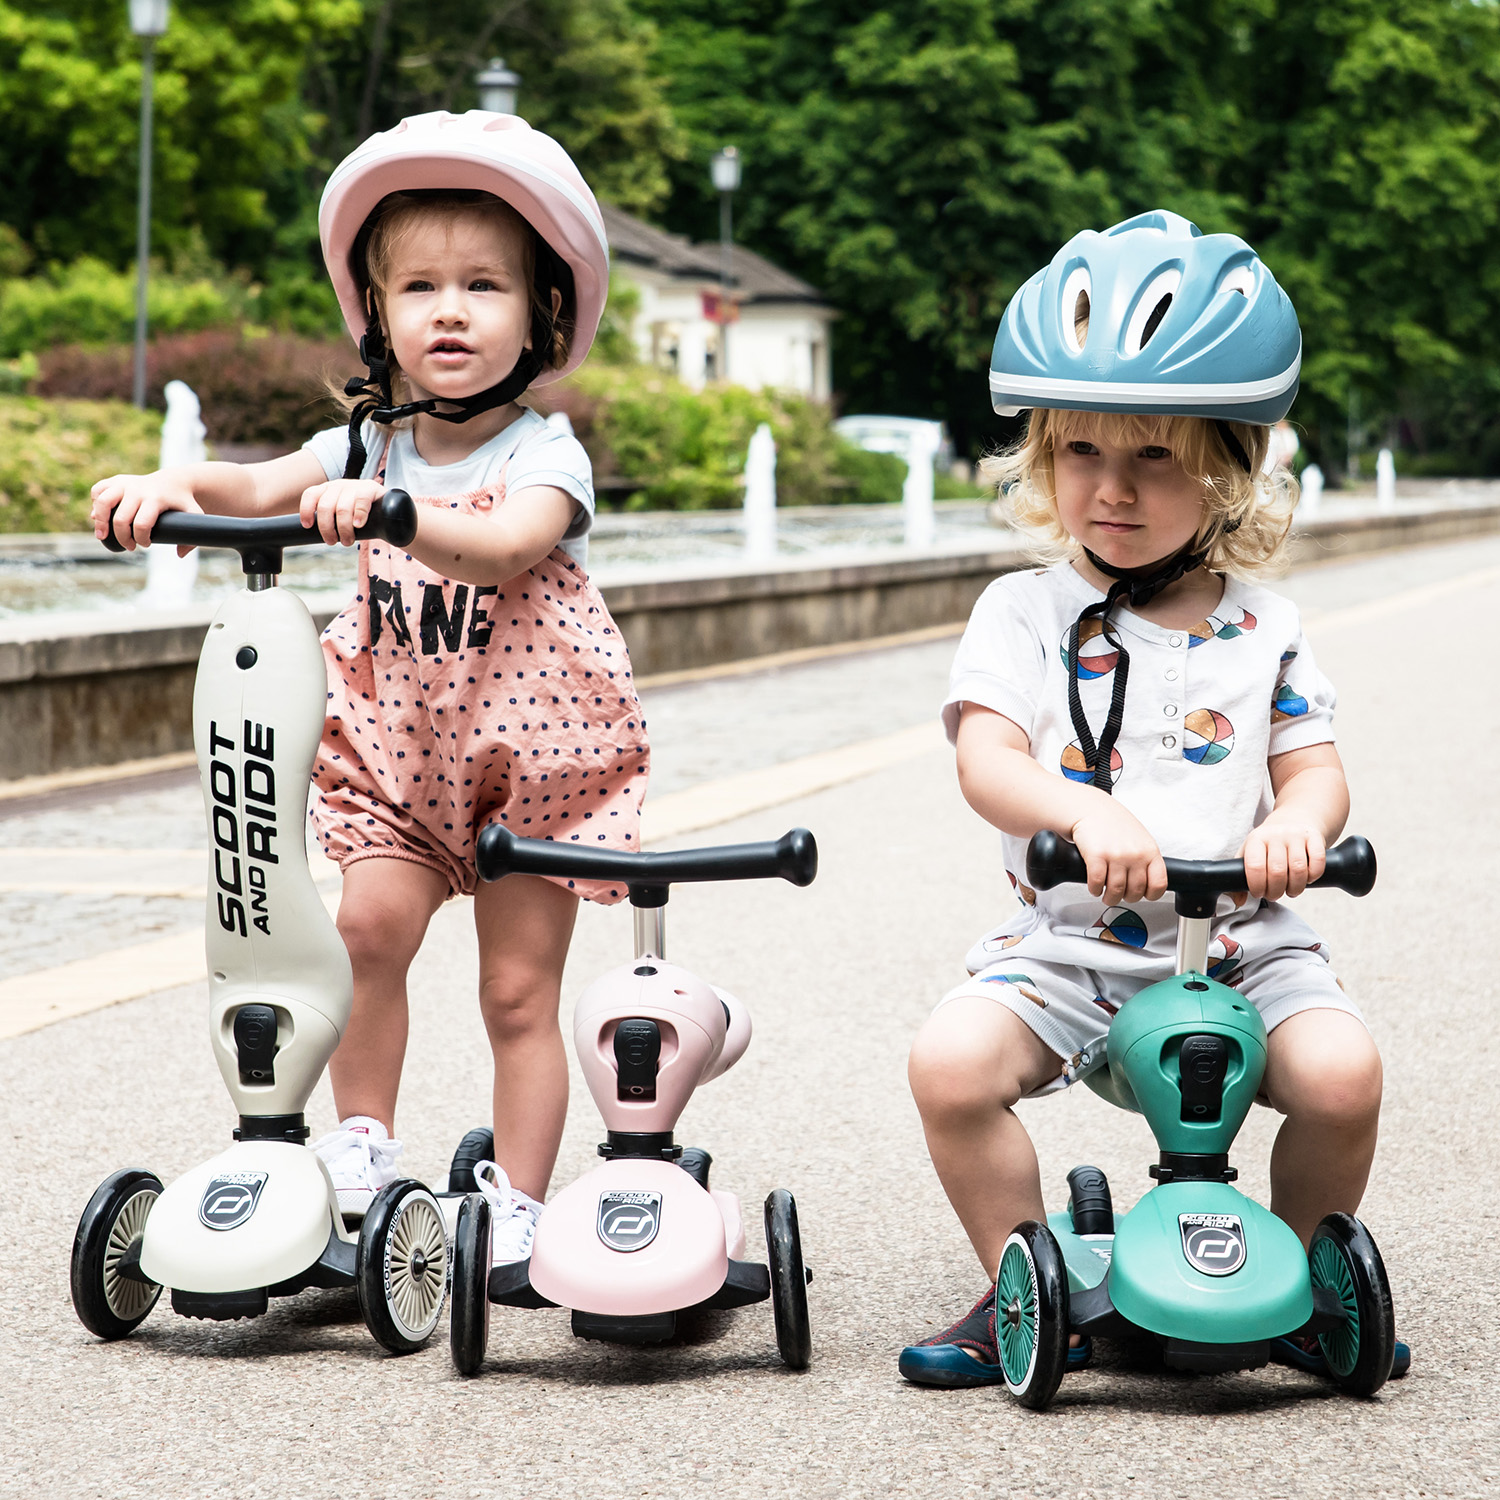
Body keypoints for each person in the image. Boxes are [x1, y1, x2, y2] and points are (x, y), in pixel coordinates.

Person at [90, 112, 649, 1265]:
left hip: (530, 767)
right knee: (363, 936)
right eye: (422, 287)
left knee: (514, 989)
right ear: (378, 317)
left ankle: (522, 1203)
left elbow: (506, 549)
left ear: (541, 314)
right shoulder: (365, 444)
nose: (451, 310)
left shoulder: (543, 454)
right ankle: (361, 1144)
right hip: (400, 761)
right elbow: (250, 485)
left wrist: (398, 513)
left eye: (485, 286)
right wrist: (163, 482)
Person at [900, 210, 1407, 1386]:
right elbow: (989, 757)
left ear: (1228, 467)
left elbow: (1315, 768)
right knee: (951, 1065)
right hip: (1075, 946)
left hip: (1241, 944)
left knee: (1342, 1077)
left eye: (1155, 458)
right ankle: (1015, 1284)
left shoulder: (1267, 628)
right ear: (1044, 457)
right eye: (1082, 452)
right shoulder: (1020, 614)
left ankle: (1306, 1274)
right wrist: (1083, 813)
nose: (1111, 490)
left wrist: (1298, 825)